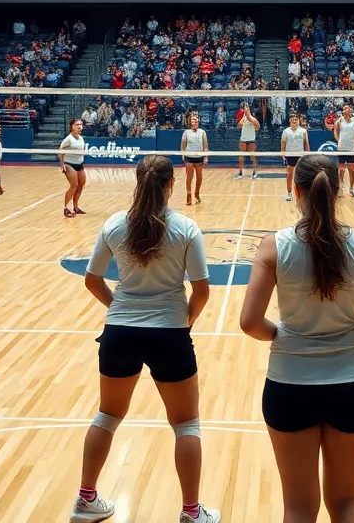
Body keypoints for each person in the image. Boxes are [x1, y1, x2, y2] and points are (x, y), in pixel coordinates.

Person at [239, 155, 354, 523]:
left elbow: (250, 322)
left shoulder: (274, 247)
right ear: (338, 191)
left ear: (295, 189)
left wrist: (282, 334)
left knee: (298, 508)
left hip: (289, 386)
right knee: (347, 504)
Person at [72, 156, 219, 523]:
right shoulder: (186, 228)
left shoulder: (114, 224)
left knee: (107, 414)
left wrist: (118, 309)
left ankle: (85, 500)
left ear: (138, 182)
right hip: (169, 333)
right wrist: (186, 320)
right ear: (172, 184)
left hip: (119, 333)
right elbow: (201, 290)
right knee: (186, 424)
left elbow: (92, 280)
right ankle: (190, 512)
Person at [60, 118, 89, 218]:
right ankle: (66, 208)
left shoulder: (81, 138)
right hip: (69, 164)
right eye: (77, 124)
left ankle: (75, 207)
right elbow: (60, 150)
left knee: (81, 185)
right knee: (74, 185)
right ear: (72, 127)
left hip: (79, 165)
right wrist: (62, 164)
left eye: (81, 124)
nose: (79, 126)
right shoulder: (68, 139)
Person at [181, 112, 209, 206]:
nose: (195, 121)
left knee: (199, 177)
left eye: (196, 120)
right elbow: (183, 146)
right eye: (193, 120)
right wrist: (183, 155)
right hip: (189, 158)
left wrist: (206, 156)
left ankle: (197, 193)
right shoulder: (186, 132)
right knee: (189, 177)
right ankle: (188, 195)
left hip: (199, 158)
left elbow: (205, 146)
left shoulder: (202, 132)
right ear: (190, 122)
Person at [281, 112, 309, 202]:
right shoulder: (286, 131)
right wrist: (282, 154)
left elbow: (306, 144)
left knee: (300, 175)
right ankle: (289, 193)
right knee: (289, 174)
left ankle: (300, 194)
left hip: (300, 155)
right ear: (290, 120)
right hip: (289, 155)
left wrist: (307, 155)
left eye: (296, 119)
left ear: (299, 121)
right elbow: (283, 144)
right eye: (292, 119)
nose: (294, 120)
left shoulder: (303, 131)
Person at [334, 105, 354, 198]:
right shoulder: (340, 120)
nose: (346, 110)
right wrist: (338, 140)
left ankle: (352, 188)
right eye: (344, 108)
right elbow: (335, 130)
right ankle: (340, 188)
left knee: (351, 169)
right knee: (341, 169)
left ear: (351, 110)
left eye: (347, 108)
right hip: (342, 148)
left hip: (352, 149)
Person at [236, 102, 260, 179]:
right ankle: (240, 172)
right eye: (245, 108)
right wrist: (242, 120)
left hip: (251, 140)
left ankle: (255, 172)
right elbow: (238, 127)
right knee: (241, 157)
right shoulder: (243, 119)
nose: (246, 109)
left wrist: (251, 120)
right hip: (243, 140)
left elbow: (258, 127)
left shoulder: (253, 119)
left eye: (247, 108)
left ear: (249, 110)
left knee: (253, 157)